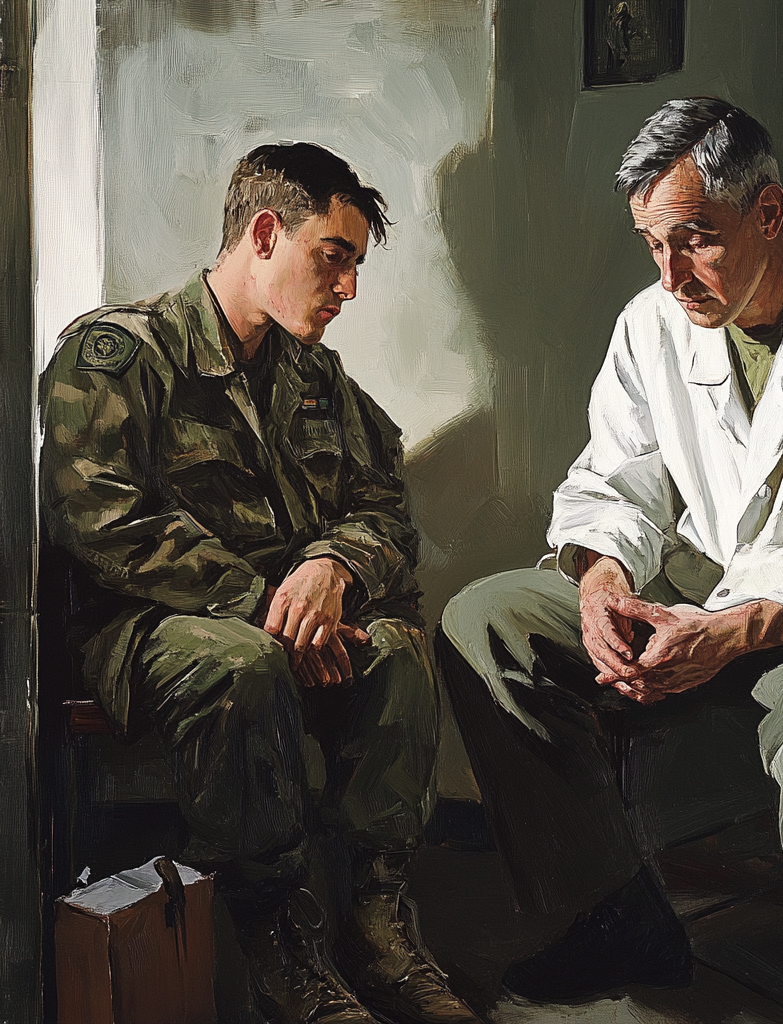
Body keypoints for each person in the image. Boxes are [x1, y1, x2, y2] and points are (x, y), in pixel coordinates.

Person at [436, 98, 783, 1024]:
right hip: (708, 601)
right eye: (652, 245)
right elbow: (613, 482)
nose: (671, 274)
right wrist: (603, 582)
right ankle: (615, 911)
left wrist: (739, 630)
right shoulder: (650, 325)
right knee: (484, 620)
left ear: (767, 212)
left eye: (695, 240)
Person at [40, 143, 481, 1024]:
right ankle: (277, 942)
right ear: (266, 233)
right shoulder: (119, 352)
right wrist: (269, 610)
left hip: (289, 623)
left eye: (356, 266)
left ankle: (378, 927)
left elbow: (383, 506)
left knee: (397, 651)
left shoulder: (314, 374)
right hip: (150, 629)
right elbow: (102, 523)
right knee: (243, 664)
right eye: (334, 258)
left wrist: (332, 565)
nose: (347, 288)